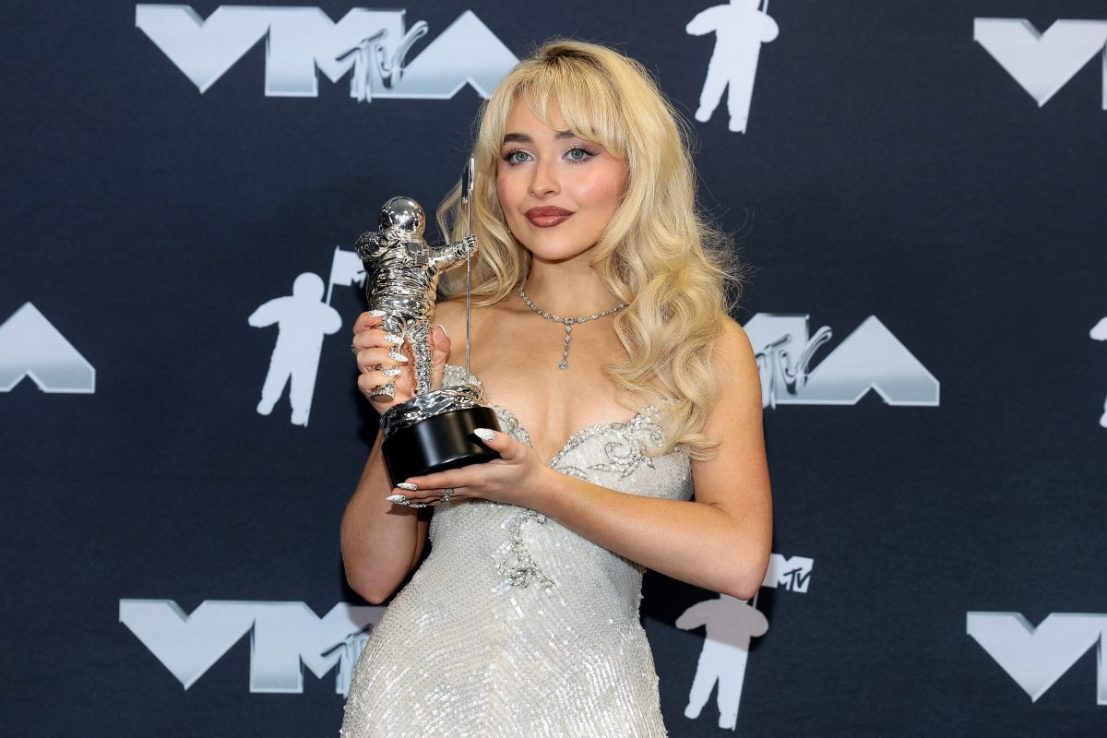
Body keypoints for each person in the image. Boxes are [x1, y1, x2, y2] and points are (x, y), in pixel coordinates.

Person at [340, 40, 772, 737]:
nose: (542, 183)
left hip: (594, 708)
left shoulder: (700, 344)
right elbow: (370, 574)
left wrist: (539, 487)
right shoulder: (442, 328)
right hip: (415, 701)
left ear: (638, 170)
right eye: (517, 155)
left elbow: (736, 559)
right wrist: (399, 415)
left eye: (578, 153)